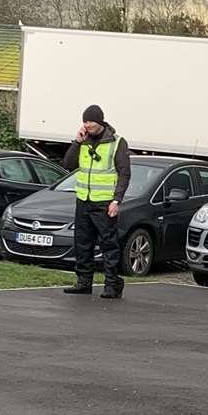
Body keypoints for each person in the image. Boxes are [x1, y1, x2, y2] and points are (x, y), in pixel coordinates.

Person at [61, 104, 131, 299]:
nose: (87, 124)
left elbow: (124, 174)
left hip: (105, 202)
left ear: (100, 121)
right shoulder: (83, 142)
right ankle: (84, 282)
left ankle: (112, 284)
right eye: (85, 121)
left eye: (91, 121)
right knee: (82, 243)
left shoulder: (117, 143)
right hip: (83, 200)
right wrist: (76, 142)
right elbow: (67, 165)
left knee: (109, 244)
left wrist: (116, 201)